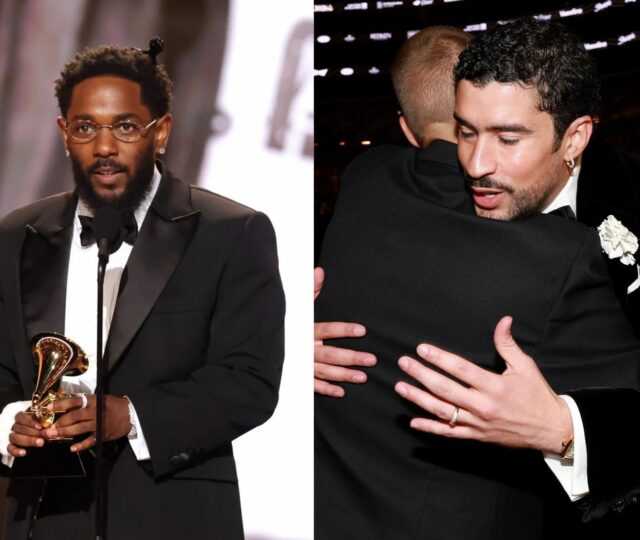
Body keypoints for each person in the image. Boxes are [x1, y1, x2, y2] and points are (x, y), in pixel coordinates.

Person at [314, 23, 640, 540]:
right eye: (465, 132)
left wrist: (563, 430)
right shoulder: (386, 186)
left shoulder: (628, 205)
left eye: (508, 139)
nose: (476, 164)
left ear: (574, 138)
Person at [0, 40, 285, 539]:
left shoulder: (231, 231)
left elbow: (250, 381)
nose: (104, 147)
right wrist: (10, 421)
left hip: (172, 515)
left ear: (161, 132)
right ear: (64, 134)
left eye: (125, 127)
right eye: (85, 127)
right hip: (43, 518)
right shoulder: (16, 235)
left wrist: (129, 415)